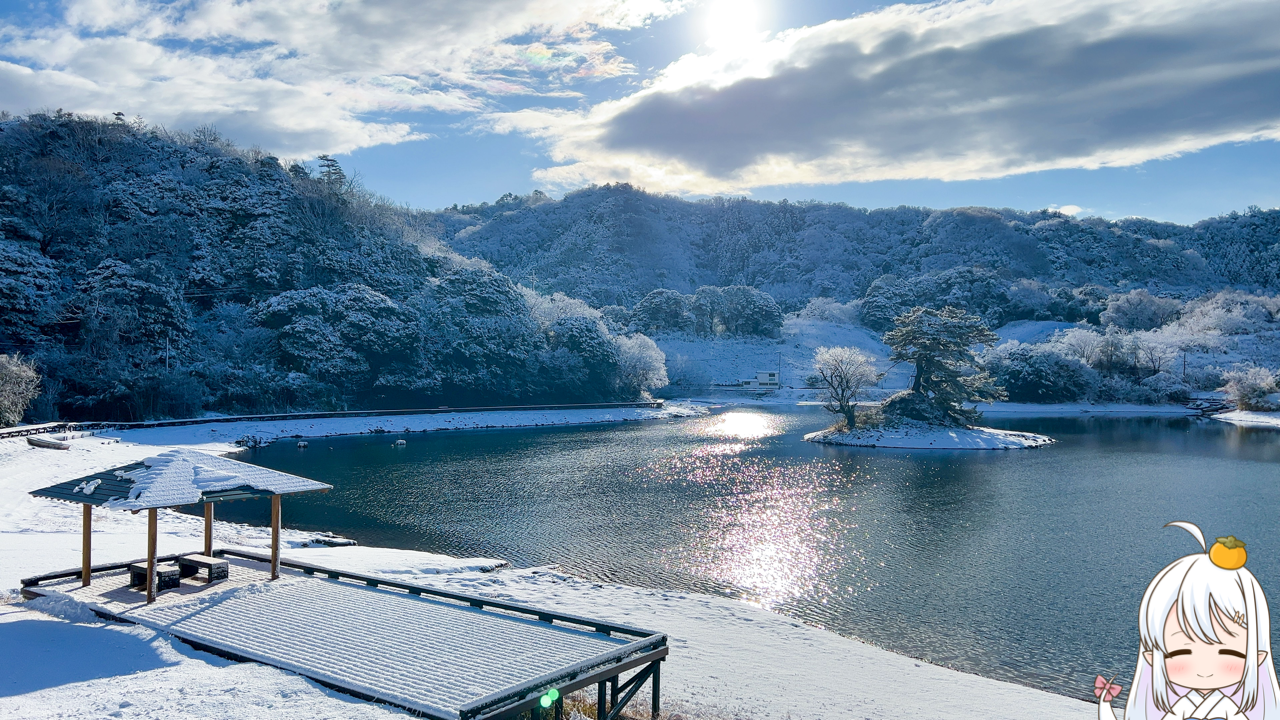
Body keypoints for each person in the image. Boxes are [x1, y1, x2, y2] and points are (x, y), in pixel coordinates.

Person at [1099, 521, 1280, 720]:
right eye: (1182, 651)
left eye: (1228, 651)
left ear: (1258, 657)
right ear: (1151, 656)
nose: (1205, 668)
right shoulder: (1181, 708)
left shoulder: (1230, 708)